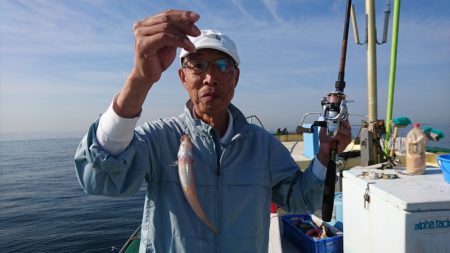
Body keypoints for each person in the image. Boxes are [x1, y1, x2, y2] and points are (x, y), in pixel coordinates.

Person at [74, 9, 352, 253]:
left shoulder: (262, 145)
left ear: (236, 77)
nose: (210, 77)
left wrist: (325, 156)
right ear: (183, 76)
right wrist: (140, 79)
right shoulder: (158, 138)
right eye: (198, 65)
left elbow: (302, 198)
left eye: (222, 66)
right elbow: (100, 180)